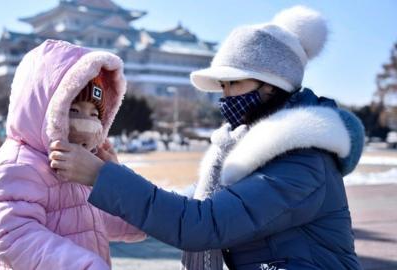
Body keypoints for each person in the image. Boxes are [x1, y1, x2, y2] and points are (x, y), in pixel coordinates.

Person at [50, 6, 364, 270]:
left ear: (271, 84)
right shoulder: (252, 146)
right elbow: (199, 209)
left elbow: (204, 225)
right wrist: (117, 174)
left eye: (233, 83)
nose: (224, 97)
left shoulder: (301, 160)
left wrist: (101, 176)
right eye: (221, 86)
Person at [0, 40, 145, 270]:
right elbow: (14, 237)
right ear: (45, 109)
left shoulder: (82, 163)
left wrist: (116, 181)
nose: (86, 123)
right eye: (74, 110)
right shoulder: (17, 165)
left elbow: (108, 218)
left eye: (94, 113)